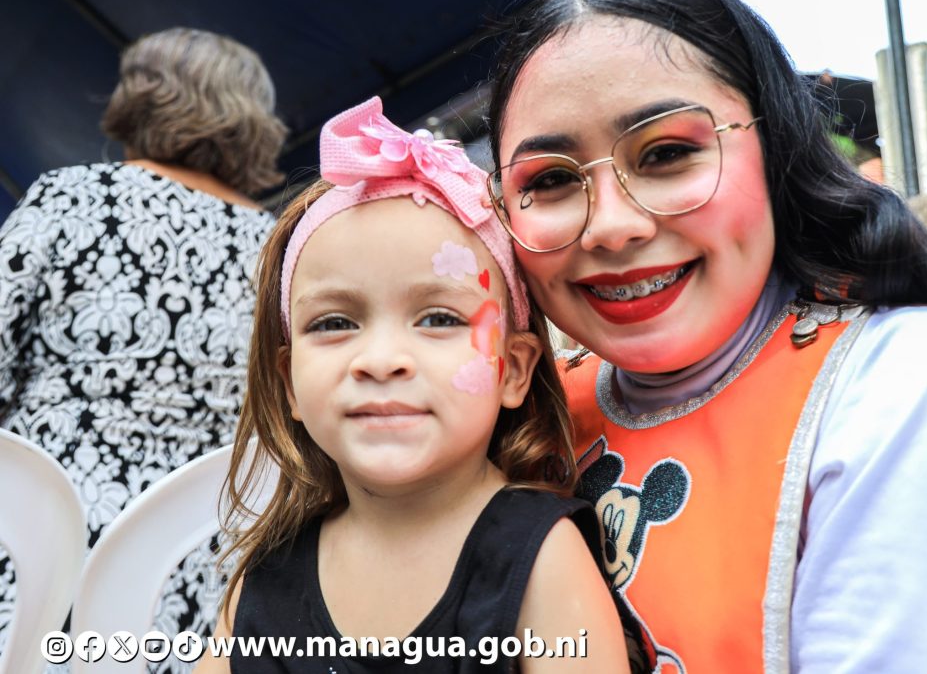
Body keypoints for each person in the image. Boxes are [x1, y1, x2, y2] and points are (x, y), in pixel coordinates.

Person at [482, 0, 927, 673]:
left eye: (666, 153)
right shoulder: (530, 418)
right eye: (551, 180)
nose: (613, 226)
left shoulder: (918, 389)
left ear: (774, 147)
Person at [195, 97, 627, 673]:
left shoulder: (537, 559)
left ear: (513, 369)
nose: (380, 361)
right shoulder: (266, 576)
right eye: (333, 324)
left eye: (439, 319)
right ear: (290, 384)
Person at [0, 27, 285, 666]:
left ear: (140, 97)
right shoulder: (276, 249)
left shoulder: (72, 197)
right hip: (194, 578)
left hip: (36, 551)